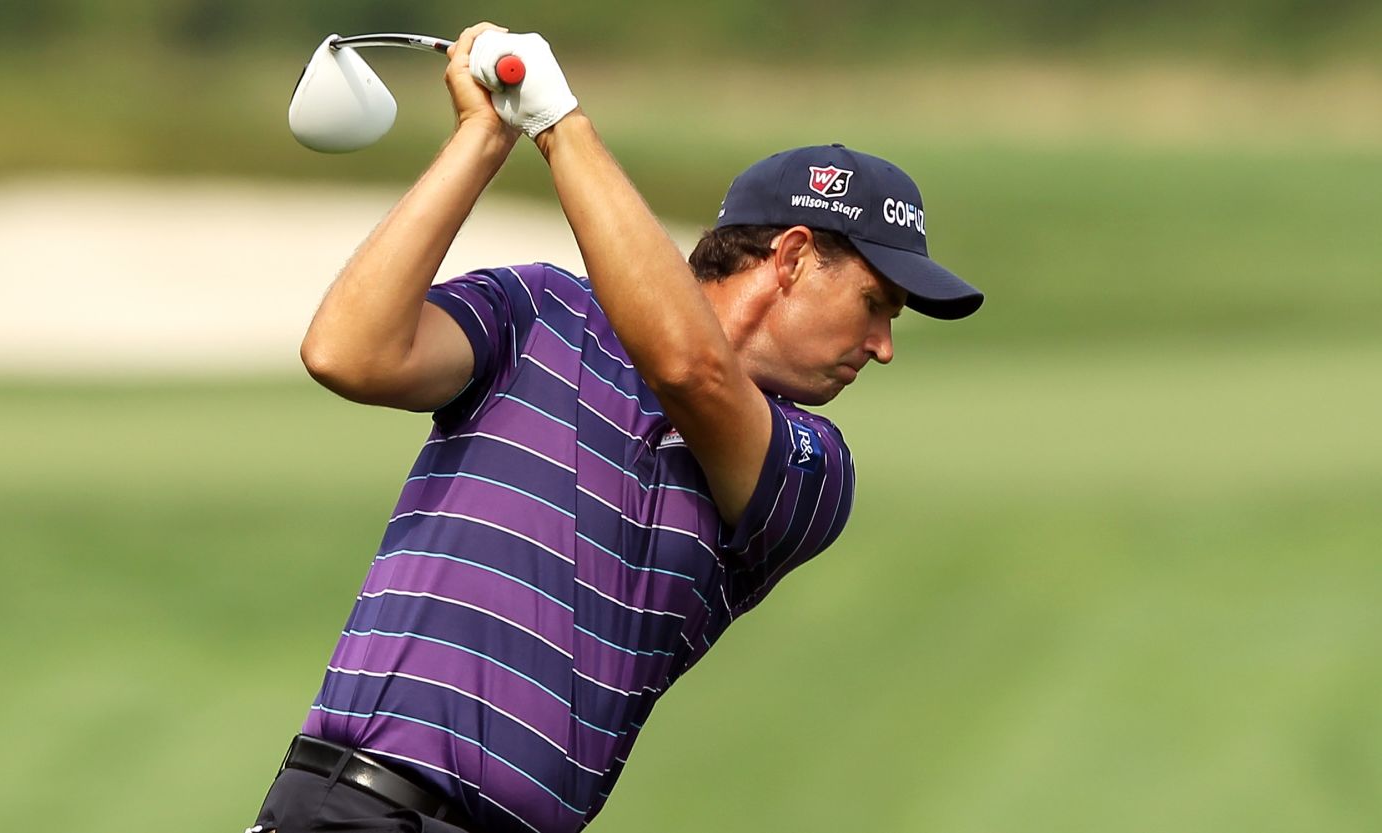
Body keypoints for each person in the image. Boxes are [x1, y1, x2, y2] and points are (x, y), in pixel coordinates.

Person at [248, 22, 983, 833]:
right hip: (348, 807)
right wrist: (484, 137)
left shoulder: (813, 469)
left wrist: (560, 121)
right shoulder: (538, 310)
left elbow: (689, 369)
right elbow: (348, 351)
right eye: (876, 305)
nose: (882, 347)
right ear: (795, 256)